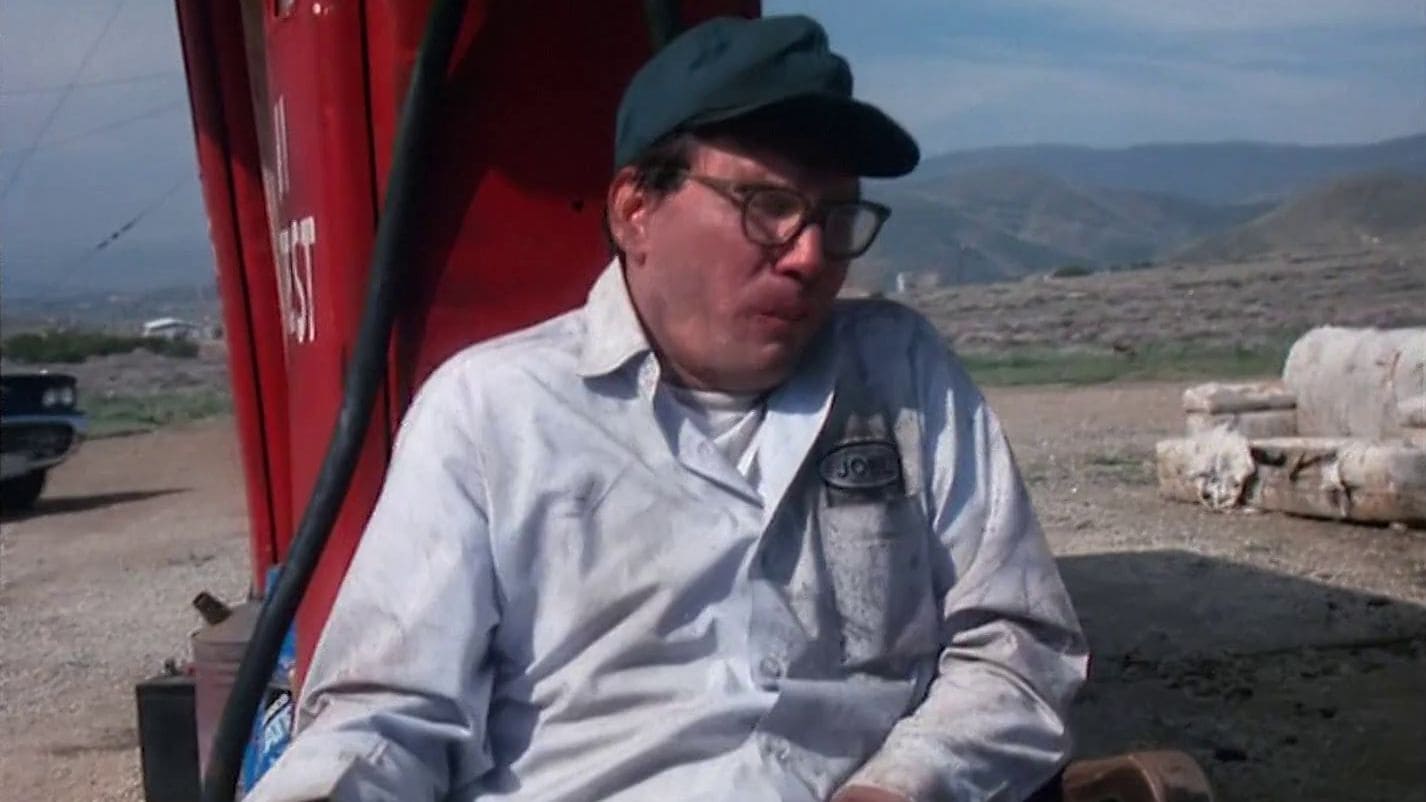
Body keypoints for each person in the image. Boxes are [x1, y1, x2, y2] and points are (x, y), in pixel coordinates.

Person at [249, 15, 1087, 802]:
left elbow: (1018, 645)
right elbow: (386, 716)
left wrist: (902, 783)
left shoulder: (902, 376)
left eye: (837, 217)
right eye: (767, 207)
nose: (810, 255)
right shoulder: (495, 414)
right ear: (635, 210)